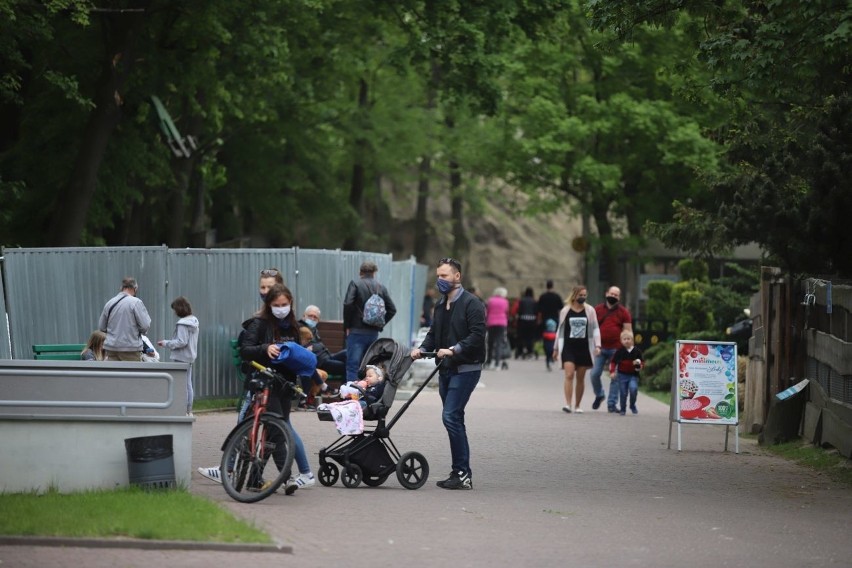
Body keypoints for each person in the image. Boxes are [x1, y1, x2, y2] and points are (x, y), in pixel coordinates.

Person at [411, 257, 486, 490]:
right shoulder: (440, 305)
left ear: (457, 277)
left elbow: (476, 335)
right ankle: (460, 472)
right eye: (438, 276)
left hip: (466, 368)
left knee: (450, 416)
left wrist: (454, 349)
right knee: (455, 418)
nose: (440, 280)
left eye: (444, 276)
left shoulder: (473, 304)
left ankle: (463, 474)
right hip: (445, 369)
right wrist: (422, 348)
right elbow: (434, 333)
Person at [237, 283, 316, 492]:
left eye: (284, 304)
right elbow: (245, 350)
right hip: (265, 382)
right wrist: (266, 348)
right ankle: (287, 477)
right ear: (269, 305)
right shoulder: (259, 324)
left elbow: (297, 355)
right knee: (278, 428)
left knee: (273, 433)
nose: (281, 308)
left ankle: (255, 478)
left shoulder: (294, 326)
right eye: (276, 304)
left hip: (285, 384)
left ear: (290, 303)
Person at [343, 261, 397, 381]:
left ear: (360, 272)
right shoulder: (381, 287)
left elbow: (348, 304)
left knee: (353, 365)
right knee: (369, 366)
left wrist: (347, 325)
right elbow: (392, 309)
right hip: (373, 333)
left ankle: (352, 395)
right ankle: (366, 393)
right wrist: (380, 325)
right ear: (374, 273)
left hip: (356, 331)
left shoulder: (355, 284)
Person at [554, 285, 601, 414]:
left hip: (584, 347)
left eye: (585, 295)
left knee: (580, 378)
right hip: (569, 347)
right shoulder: (565, 311)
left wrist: (597, 345)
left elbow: (596, 328)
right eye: (581, 295)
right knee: (569, 375)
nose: (583, 298)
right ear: (574, 296)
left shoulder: (590, 310)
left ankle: (578, 405)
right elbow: (560, 330)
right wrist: (556, 348)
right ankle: (568, 404)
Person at [588, 286, 633, 412]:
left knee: (615, 376)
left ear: (619, 297)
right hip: (600, 348)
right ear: (606, 293)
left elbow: (628, 331)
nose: (613, 296)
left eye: (616, 295)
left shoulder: (624, 312)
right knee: (594, 374)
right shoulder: (597, 310)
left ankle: (612, 404)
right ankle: (600, 394)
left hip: (617, 349)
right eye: (611, 294)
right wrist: (592, 345)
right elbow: (590, 328)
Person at [158, 296, 200, 415]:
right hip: (190, 357)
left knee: (182, 385)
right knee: (188, 384)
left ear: (179, 309)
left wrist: (166, 343)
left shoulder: (182, 324)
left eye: (175, 310)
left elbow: (181, 341)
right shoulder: (194, 321)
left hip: (181, 357)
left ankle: (183, 410)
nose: (175, 312)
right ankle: (188, 410)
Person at [98, 277, 152, 362]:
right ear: (135, 288)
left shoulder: (109, 303)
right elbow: (145, 325)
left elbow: (101, 327)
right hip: (131, 348)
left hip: (111, 348)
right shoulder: (136, 302)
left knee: (115, 374)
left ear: (121, 288)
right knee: (131, 374)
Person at [299, 305, 346, 377]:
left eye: (315, 317)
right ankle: (346, 387)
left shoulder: (314, 329)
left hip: (327, 356)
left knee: (348, 353)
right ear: (304, 316)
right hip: (320, 362)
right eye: (310, 316)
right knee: (345, 367)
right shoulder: (301, 329)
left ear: (318, 320)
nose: (312, 318)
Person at [609, 330, 644, 415]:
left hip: (633, 375)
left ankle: (632, 405)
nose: (627, 341)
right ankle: (623, 409)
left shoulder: (637, 351)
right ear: (621, 341)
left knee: (633, 389)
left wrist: (640, 365)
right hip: (622, 375)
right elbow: (613, 362)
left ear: (632, 340)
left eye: (628, 339)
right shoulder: (619, 351)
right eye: (624, 339)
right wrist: (612, 371)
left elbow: (642, 362)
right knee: (623, 392)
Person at [485, 287, 510, 371]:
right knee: (499, 343)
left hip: (491, 322)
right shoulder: (505, 301)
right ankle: (497, 364)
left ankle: (488, 362)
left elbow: (487, 311)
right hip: (501, 323)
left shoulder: (490, 300)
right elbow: (506, 312)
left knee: (490, 343)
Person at [514, 287, 538, 359]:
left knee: (521, 336)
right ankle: (530, 350)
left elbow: (520, 310)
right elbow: (536, 311)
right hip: (532, 320)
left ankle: (520, 350)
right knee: (530, 337)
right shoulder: (534, 301)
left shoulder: (522, 301)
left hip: (523, 320)